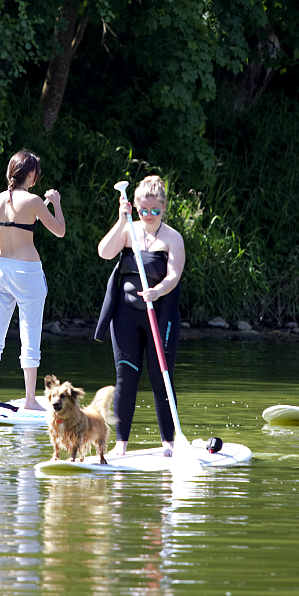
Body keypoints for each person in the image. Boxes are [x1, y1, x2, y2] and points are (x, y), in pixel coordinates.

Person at [96, 175, 185, 456]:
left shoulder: (172, 238)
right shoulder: (129, 231)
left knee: (161, 378)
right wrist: (122, 221)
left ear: (163, 208)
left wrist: (158, 291)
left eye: (154, 211)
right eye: (143, 211)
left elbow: (173, 276)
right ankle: (121, 444)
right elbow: (104, 252)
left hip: (161, 316)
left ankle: (168, 444)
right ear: (135, 207)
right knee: (126, 377)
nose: (148, 216)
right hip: (125, 315)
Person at [0, 150, 65, 410]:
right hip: (28, 272)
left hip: (1, 271)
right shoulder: (35, 201)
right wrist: (56, 202)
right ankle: (29, 400)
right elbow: (59, 231)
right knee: (30, 336)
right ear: (30, 174)